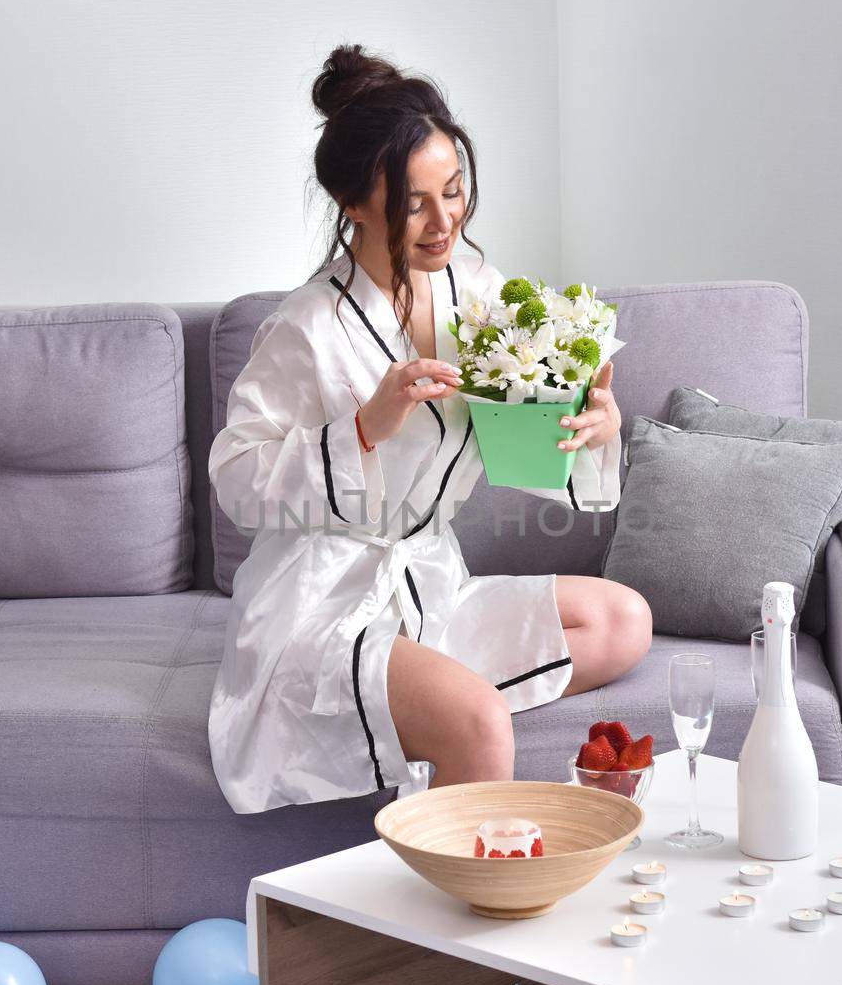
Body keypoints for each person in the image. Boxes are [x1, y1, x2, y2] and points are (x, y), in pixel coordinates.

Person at [207, 44, 652, 814]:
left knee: (623, 618)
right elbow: (237, 483)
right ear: (356, 203)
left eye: (455, 191)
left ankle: (429, 694)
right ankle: (446, 912)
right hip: (319, 606)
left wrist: (589, 423)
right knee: (481, 721)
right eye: (416, 203)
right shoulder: (305, 328)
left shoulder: (475, 293)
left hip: (429, 584)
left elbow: (523, 438)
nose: (446, 221)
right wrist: (364, 428)